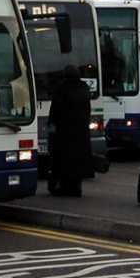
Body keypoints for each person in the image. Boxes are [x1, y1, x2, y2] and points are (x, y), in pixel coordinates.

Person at [48, 65, 93, 196]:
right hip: (81, 132)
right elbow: (87, 110)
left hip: (64, 132)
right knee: (78, 162)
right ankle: (76, 187)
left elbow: (55, 111)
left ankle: (64, 187)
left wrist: (51, 127)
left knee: (63, 161)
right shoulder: (84, 88)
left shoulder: (62, 88)